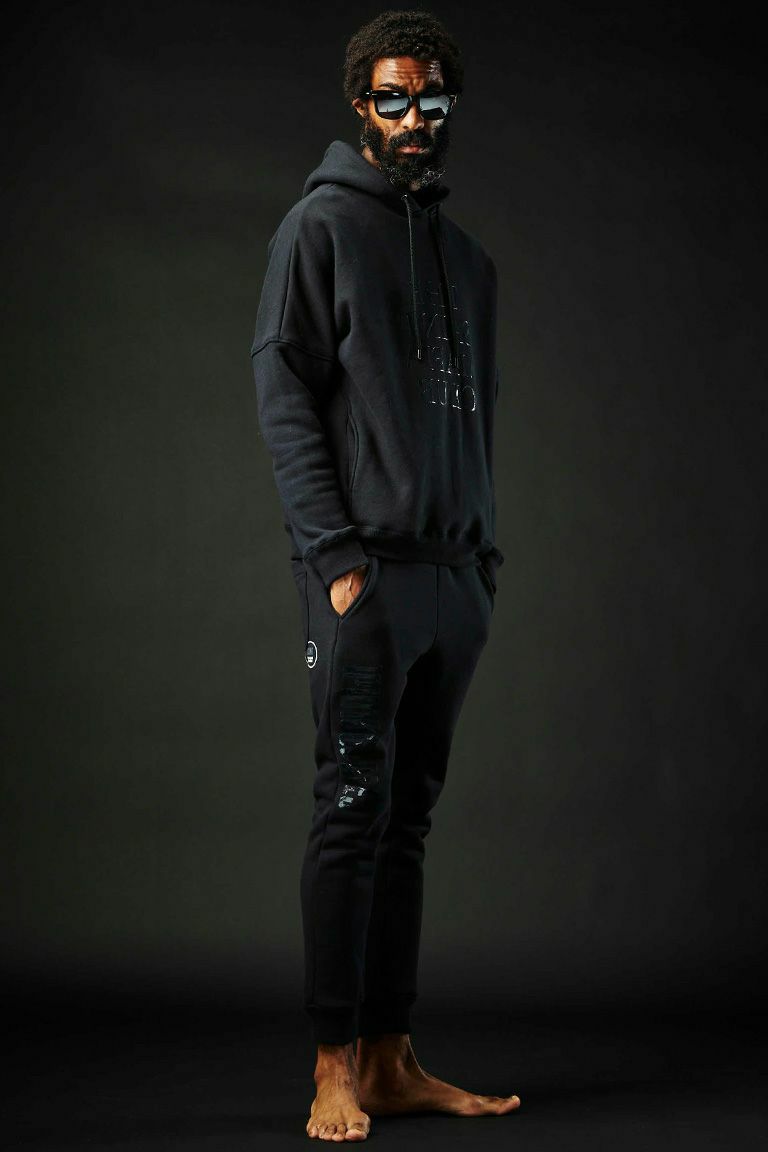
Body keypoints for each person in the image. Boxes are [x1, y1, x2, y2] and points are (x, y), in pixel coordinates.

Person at [250, 9, 520, 1141]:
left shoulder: (470, 263)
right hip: (363, 580)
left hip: (455, 583)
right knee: (352, 813)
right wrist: (337, 560)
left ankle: (391, 1056)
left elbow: (477, 423)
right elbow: (283, 391)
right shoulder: (318, 228)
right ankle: (332, 1067)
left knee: (408, 822)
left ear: (449, 107)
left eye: (432, 98)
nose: (416, 117)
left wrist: (482, 561)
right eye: (394, 97)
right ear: (362, 104)